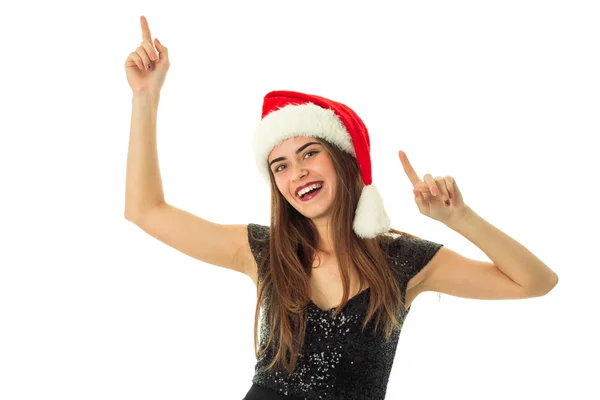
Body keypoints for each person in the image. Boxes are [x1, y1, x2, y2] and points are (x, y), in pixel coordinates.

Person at [124, 16, 559, 400]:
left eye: (309, 153)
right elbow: (145, 210)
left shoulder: (405, 263)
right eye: (281, 165)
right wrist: (146, 97)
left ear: (343, 158)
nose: (297, 173)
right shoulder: (262, 248)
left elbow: (536, 282)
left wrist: (459, 218)